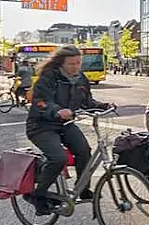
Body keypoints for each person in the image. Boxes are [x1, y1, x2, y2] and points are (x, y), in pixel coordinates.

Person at [26, 45, 113, 215]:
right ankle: (38, 195)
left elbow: (87, 102)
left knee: (84, 151)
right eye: (71, 64)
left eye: (78, 63)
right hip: (41, 126)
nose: (76, 67)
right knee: (58, 158)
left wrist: (104, 106)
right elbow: (41, 101)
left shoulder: (81, 79)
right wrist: (56, 110)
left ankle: (82, 189)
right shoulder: (49, 77)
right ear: (61, 63)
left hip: (65, 125)